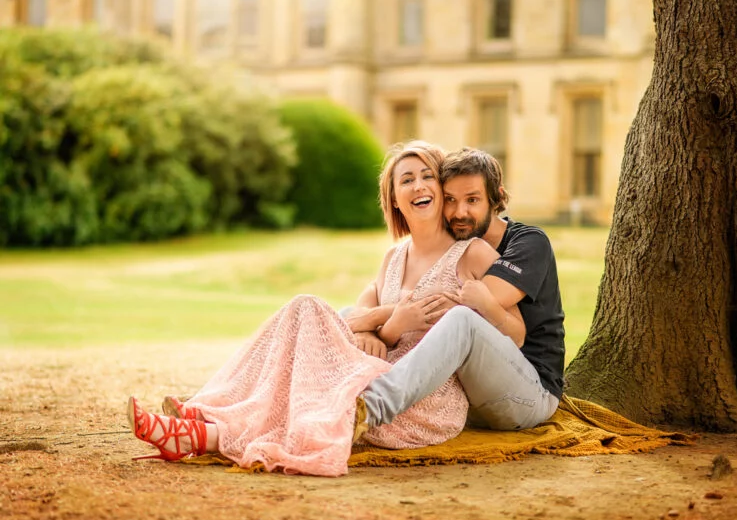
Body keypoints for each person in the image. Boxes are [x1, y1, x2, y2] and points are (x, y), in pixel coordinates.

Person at [127, 141, 523, 477]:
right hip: (371, 378)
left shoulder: (472, 253)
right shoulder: (392, 259)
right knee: (305, 310)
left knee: (306, 343)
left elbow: (512, 331)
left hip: (421, 402)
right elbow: (348, 321)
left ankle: (205, 423)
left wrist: (471, 308)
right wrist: (386, 322)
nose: (419, 185)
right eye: (407, 179)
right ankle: (203, 420)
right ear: (395, 200)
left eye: (427, 176)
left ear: (442, 188)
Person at [350, 147, 565, 432]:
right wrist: (369, 324)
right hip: (472, 392)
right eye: (451, 199)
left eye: (472, 200)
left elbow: (455, 307)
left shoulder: (525, 244)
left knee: (462, 318)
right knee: (342, 315)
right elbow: (375, 297)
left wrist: (377, 318)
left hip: (527, 389)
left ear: (496, 198)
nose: (460, 212)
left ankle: (369, 410)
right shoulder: (433, 249)